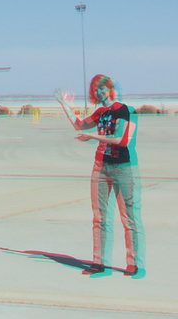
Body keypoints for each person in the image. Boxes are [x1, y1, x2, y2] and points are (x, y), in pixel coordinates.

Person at [56, 74, 144, 277]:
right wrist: (64, 105)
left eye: (103, 88)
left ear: (111, 89)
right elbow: (79, 125)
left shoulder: (125, 110)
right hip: (101, 167)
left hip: (123, 167)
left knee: (128, 217)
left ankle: (133, 264)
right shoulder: (100, 112)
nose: (100, 92)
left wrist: (92, 136)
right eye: (96, 89)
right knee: (100, 218)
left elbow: (121, 140)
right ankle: (99, 262)